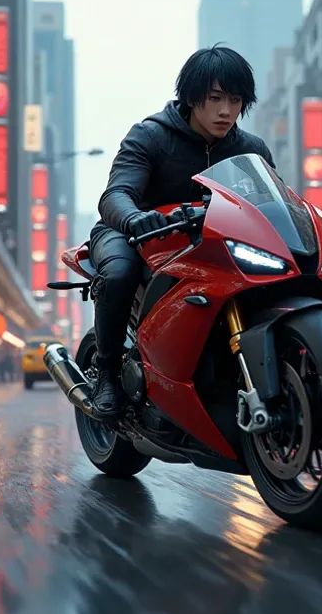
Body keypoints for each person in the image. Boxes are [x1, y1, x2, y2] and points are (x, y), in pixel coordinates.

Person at [89, 46, 275, 417]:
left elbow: (274, 202)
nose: (226, 111)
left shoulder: (250, 150)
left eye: (236, 100)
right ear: (192, 98)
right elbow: (117, 194)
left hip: (204, 240)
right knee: (120, 273)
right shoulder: (150, 135)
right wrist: (134, 219)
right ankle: (106, 373)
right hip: (132, 233)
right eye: (215, 98)